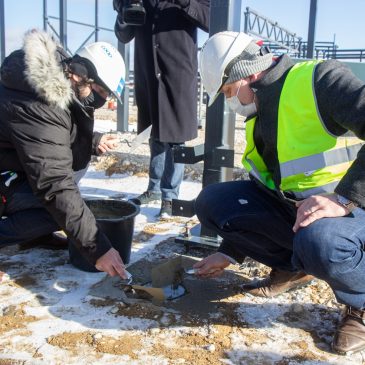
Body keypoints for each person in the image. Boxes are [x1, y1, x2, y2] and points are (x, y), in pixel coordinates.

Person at [193, 31, 365, 355]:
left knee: (321, 242)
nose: (231, 101)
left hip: (352, 210)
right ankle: (294, 266)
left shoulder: (319, 81)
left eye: (230, 91)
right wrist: (231, 251)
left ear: (249, 73)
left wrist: (343, 197)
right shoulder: (261, 110)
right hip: (302, 210)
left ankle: (361, 304)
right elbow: (268, 187)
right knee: (212, 202)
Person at [0, 29, 128, 279]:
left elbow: (46, 138)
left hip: (8, 170)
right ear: (82, 74)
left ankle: (34, 235)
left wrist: (92, 141)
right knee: (61, 203)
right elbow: (54, 183)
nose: (100, 101)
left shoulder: (54, 86)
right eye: (100, 93)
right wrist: (98, 248)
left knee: (65, 208)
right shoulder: (38, 102)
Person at [113, 0, 210, 218]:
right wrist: (123, 10)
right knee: (154, 133)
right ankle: (155, 189)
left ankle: (170, 195)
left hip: (177, 72)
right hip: (148, 72)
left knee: (176, 136)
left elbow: (209, 19)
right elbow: (124, 35)